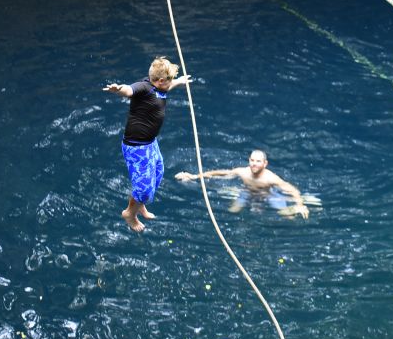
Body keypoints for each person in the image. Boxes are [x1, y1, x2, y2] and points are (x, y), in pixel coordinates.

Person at [103, 57, 191, 232]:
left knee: (158, 173)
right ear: (159, 81)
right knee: (144, 189)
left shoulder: (160, 87)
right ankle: (130, 213)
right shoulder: (143, 87)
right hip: (137, 147)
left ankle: (140, 205)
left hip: (151, 143)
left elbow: (165, 89)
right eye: (170, 80)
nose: (170, 83)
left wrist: (178, 82)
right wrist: (118, 89)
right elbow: (129, 91)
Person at [175, 149, 309, 219]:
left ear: (265, 164)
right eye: (252, 160)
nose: (254, 164)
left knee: (288, 216)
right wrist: (193, 176)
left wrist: (299, 204)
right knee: (232, 211)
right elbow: (220, 173)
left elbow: (292, 190)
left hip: (268, 194)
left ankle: (304, 204)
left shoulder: (271, 178)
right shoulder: (243, 172)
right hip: (247, 192)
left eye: (258, 161)